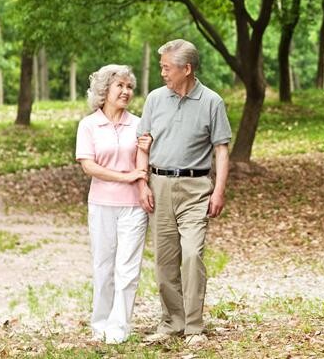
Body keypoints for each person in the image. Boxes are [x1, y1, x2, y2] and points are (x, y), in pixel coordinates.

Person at [135, 39, 231, 347]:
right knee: (165, 259)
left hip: (196, 188)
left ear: (186, 69)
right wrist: (142, 182)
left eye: (166, 67)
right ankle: (171, 321)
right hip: (159, 185)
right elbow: (143, 143)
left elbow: (221, 150)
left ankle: (193, 327)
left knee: (192, 255)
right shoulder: (154, 99)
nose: (162, 72)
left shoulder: (212, 101)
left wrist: (219, 191)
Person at [75, 65, 149, 344]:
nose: (126, 91)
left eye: (129, 86)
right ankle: (100, 324)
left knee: (128, 269)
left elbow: (144, 162)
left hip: (134, 206)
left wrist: (140, 178)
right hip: (101, 204)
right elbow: (88, 166)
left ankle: (119, 327)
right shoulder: (88, 125)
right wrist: (125, 175)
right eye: (120, 86)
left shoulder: (140, 123)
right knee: (103, 267)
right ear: (105, 90)